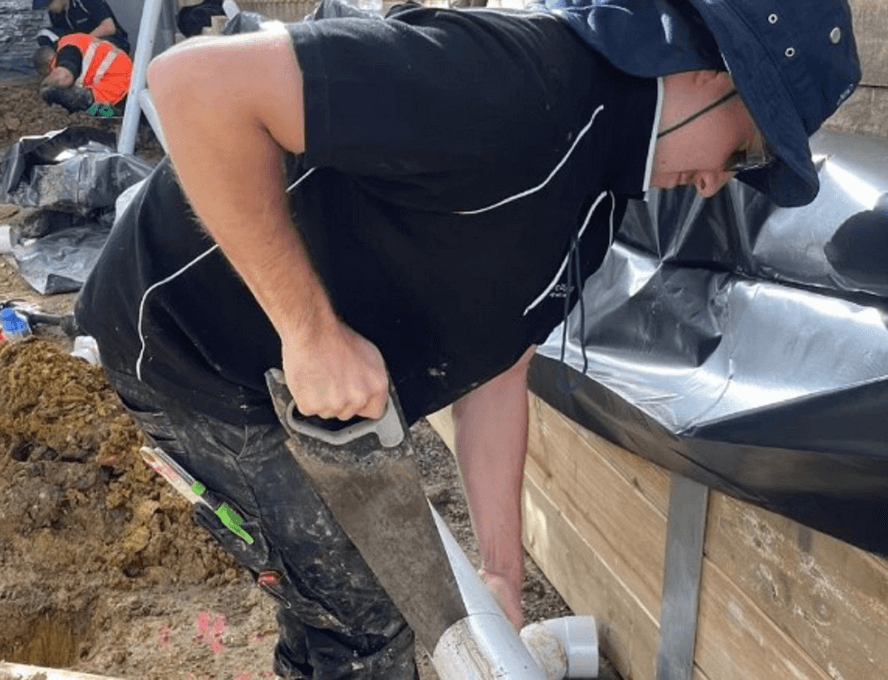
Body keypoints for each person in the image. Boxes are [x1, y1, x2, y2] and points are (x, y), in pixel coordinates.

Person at [73, 0, 860, 677]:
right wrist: (310, 333)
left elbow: (500, 369)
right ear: (709, 73)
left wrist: (502, 573)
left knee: (341, 599)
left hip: (285, 377)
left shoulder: (601, 188)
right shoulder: (513, 82)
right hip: (187, 345)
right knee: (369, 615)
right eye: (746, 148)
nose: (719, 179)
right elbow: (195, 86)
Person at [33, 33, 132, 114]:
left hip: (116, 84)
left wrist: (44, 87)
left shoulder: (67, 50)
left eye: (50, 73)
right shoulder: (71, 42)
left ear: (50, 62)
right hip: (123, 79)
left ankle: (111, 114)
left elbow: (64, 77)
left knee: (52, 93)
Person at [33, 0, 130, 54]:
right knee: (44, 35)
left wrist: (82, 41)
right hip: (80, 45)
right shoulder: (55, 13)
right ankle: (62, 67)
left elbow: (109, 28)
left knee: (103, 45)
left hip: (106, 40)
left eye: (49, 5)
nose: (48, 9)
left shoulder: (85, 2)